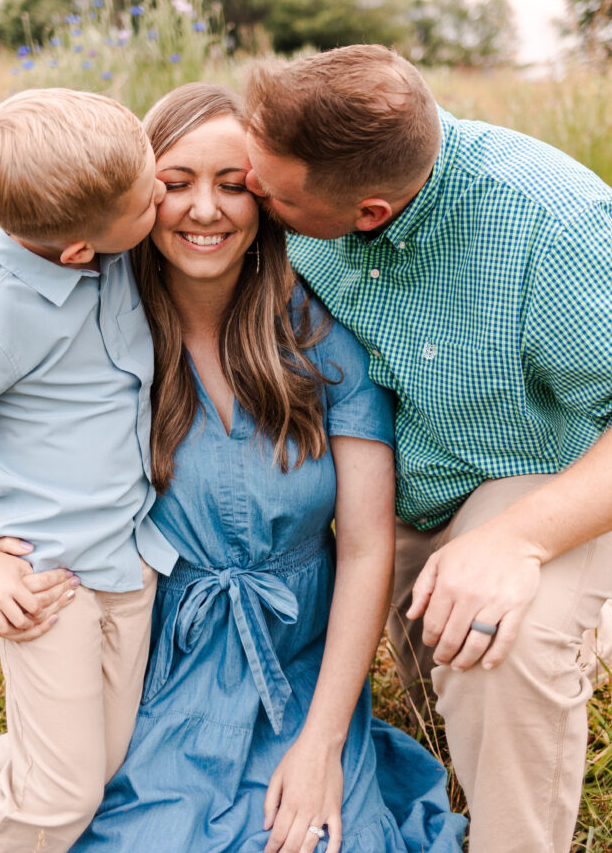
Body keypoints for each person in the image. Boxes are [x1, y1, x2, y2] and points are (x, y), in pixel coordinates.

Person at [242, 45, 612, 853]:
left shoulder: (554, 226)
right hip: (391, 485)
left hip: (528, 471)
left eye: (270, 196)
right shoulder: (295, 184)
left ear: (369, 211)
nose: (249, 198)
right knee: (428, 698)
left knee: (500, 651)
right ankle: (602, 621)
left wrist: (518, 541)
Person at [65, 82, 465, 852]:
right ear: (139, 198)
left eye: (232, 185)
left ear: (266, 202)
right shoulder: (98, 333)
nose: (204, 210)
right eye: (175, 185)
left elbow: (364, 546)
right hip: (155, 669)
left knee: (313, 839)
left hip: (298, 671)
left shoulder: (319, 335)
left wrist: (318, 746)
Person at [0, 88, 173, 853]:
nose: (164, 196)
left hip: (124, 559)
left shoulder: (102, 253)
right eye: (151, 196)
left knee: (98, 758)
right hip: (42, 580)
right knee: (60, 795)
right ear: (79, 249)